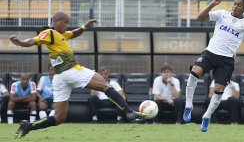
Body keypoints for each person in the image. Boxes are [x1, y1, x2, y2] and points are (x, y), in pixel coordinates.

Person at [10, 11, 145, 139]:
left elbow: (74, 33)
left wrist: (84, 27)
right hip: (70, 71)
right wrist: (21, 42)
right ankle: (128, 111)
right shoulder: (50, 32)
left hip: (59, 78)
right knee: (105, 85)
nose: (67, 25)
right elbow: (33, 40)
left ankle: (28, 126)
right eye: (66, 22)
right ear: (56, 21)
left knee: (59, 118)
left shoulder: (62, 35)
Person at [183, 0, 244, 132]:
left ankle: (207, 116)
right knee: (193, 72)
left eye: (238, 5)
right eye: (234, 3)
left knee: (219, 90)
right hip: (210, 53)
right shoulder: (222, 14)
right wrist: (212, 4)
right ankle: (188, 105)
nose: (235, 6)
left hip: (226, 60)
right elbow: (200, 18)